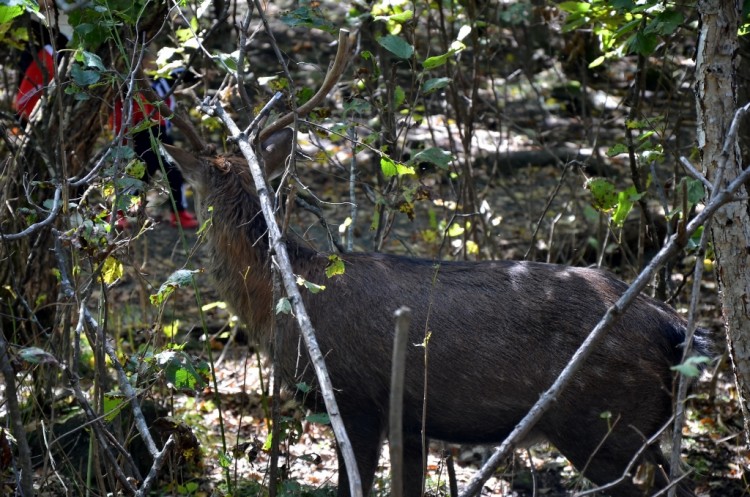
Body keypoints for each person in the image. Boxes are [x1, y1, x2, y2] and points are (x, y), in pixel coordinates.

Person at [13, 0, 198, 230]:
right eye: (145, 58)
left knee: (171, 171)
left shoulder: (158, 78)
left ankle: (177, 212)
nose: (148, 61)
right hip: (134, 130)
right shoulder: (120, 76)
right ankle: (117, 212)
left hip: (157, 130)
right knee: (140, 174)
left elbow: (170, 92)